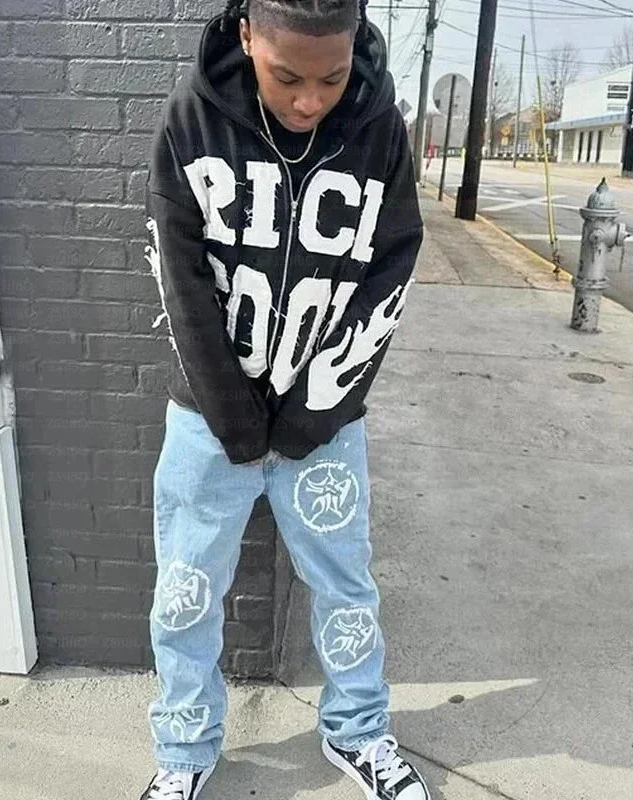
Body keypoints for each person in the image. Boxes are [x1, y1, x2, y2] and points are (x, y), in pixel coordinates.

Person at [140, 0, 425, 795]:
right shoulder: (191, 120)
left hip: (328, 422)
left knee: (345, 588)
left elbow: (391, 268)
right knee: (185, 594)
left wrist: (314, 411)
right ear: (246, 35)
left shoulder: (379, 130)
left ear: (356, 46)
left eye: (332, 78)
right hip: (206, 420)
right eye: (287, 76)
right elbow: (178, 277)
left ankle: (357, 732)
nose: (309, 101)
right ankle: (184, 750)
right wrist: (234, 416)